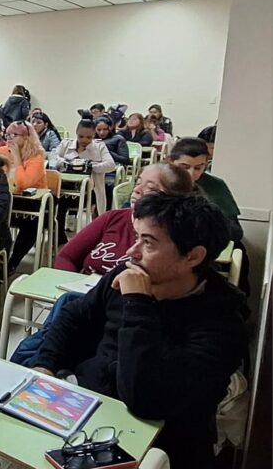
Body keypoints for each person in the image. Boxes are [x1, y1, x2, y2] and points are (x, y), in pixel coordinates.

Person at [33, 192, 248, 469]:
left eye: (147, 243)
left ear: (193, 256)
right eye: (136, 238)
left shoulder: (221, 325)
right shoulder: (125, 273)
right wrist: (45, 365)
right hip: (85, 411)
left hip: (154, 446)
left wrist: (138, 302)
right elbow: (74, 315)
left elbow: (145, 400)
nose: (131, 252)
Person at [56, 163, 193, 274]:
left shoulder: (172, 236)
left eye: (151, 189)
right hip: (86, 296)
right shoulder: (113, 218)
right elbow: (66, 257)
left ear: (173, 199)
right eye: (137, 183)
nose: (137, 190)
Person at [50, 119, 116, 241]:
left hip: (90, 191)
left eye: (89, 137)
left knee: (94, 205)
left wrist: (90, 165)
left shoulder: (99, 146)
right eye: (81, 136)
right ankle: (59, 238)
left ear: (94, 135)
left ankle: (91, 238)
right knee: (59, 205)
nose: (84, 140)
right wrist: (66, 163)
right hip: (66, 188)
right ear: (76, 132)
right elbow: (53, 156)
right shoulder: (66, 144)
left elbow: (111, 165)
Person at [0, 121, 47, 273]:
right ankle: (0, 257)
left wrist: (17, 158)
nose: (9, 138)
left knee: (32, 224)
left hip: (34, 202)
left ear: (27, 137)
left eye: (14, 135)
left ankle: (13, 262)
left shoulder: (36, 156)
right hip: (10, 199)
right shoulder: (2, 152)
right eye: (7, 134)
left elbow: (23, 184)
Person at [168, 137, 243, 241]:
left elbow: (236, 233)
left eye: (198, 168)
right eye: (184, 167)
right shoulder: (159, 181)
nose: (191, 174)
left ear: (205, 166)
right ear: (171, 162)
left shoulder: (215, 185)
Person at [95, 116, 129, 208]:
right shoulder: (91, 139)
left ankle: (105, 212)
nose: (102, 132)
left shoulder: (118, 139)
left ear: (110, 128)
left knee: (107, 186)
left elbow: (125, 160)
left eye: (105, 129)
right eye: (99, 129)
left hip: (111, 172)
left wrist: (106, 152)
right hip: (94, 171)